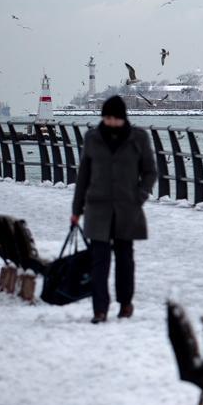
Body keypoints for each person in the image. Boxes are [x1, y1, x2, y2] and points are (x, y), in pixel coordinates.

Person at [71, 96, 156, 323]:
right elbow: (84, 176)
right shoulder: (92, 138)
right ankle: (100, 309)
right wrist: (76, 209)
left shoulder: (138, 138)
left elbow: (150, 172)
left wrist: (139, 196)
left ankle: (125, 303)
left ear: (123, 118)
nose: (110, 122)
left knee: (125, 258)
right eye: (107, 118)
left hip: (127, 208)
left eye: (114, 118)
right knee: (99, 261)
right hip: (97, 208)